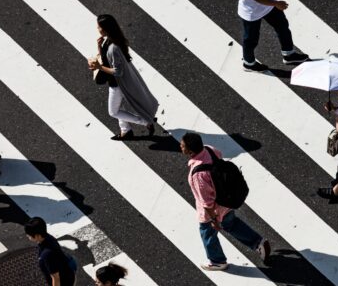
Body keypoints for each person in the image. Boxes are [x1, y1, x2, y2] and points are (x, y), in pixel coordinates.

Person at [180, 132, 270, 270]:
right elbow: (220, 156)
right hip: (225, 199)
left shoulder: (199, 174)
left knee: (207, 232)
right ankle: (258, 243)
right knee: (231, 224)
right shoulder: (209, 149)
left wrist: (214, 220)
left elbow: (207, 202)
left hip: (213, 209)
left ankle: (217, 260)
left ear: (190, 151)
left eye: (183, 145)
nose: (181, 146)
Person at [88, 14, 159, 140]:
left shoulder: (113, 47)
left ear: (105, 28)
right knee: (118, 107)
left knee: (113, 111)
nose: (97, 29)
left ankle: (145, 122)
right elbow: (106, 58)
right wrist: (99, 48)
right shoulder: (110, 40)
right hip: (116, 82)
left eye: (99, 27)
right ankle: (125, 130)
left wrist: (99, 67)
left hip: (117, 84)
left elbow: (118, 72)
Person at [25, 217, 76, 286]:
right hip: (68, 275)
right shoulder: (48, 237)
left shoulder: (47, 254)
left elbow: (56, 278)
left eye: (29, 235)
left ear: (37, 236)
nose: (27, 236)